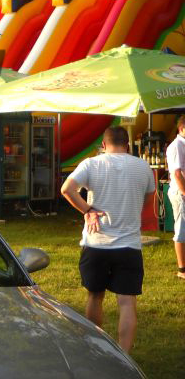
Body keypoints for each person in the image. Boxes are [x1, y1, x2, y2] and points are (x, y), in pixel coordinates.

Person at [60, 126, 155, 353]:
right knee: (127, 302)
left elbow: (67, 189)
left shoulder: (91, 164)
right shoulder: (143, 166)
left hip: (96, 243)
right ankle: (124, 356)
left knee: (95, 296)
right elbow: (149, 197)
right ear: (128, 145)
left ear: (103, 145)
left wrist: (88, 210)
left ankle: (95, 349)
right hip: (129, 245)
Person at [165, 115, 185, 279]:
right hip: (181, 192)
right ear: (181, 129)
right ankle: (182, 269)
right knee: (181, 229)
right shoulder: (177, 146)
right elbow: (177, 174)